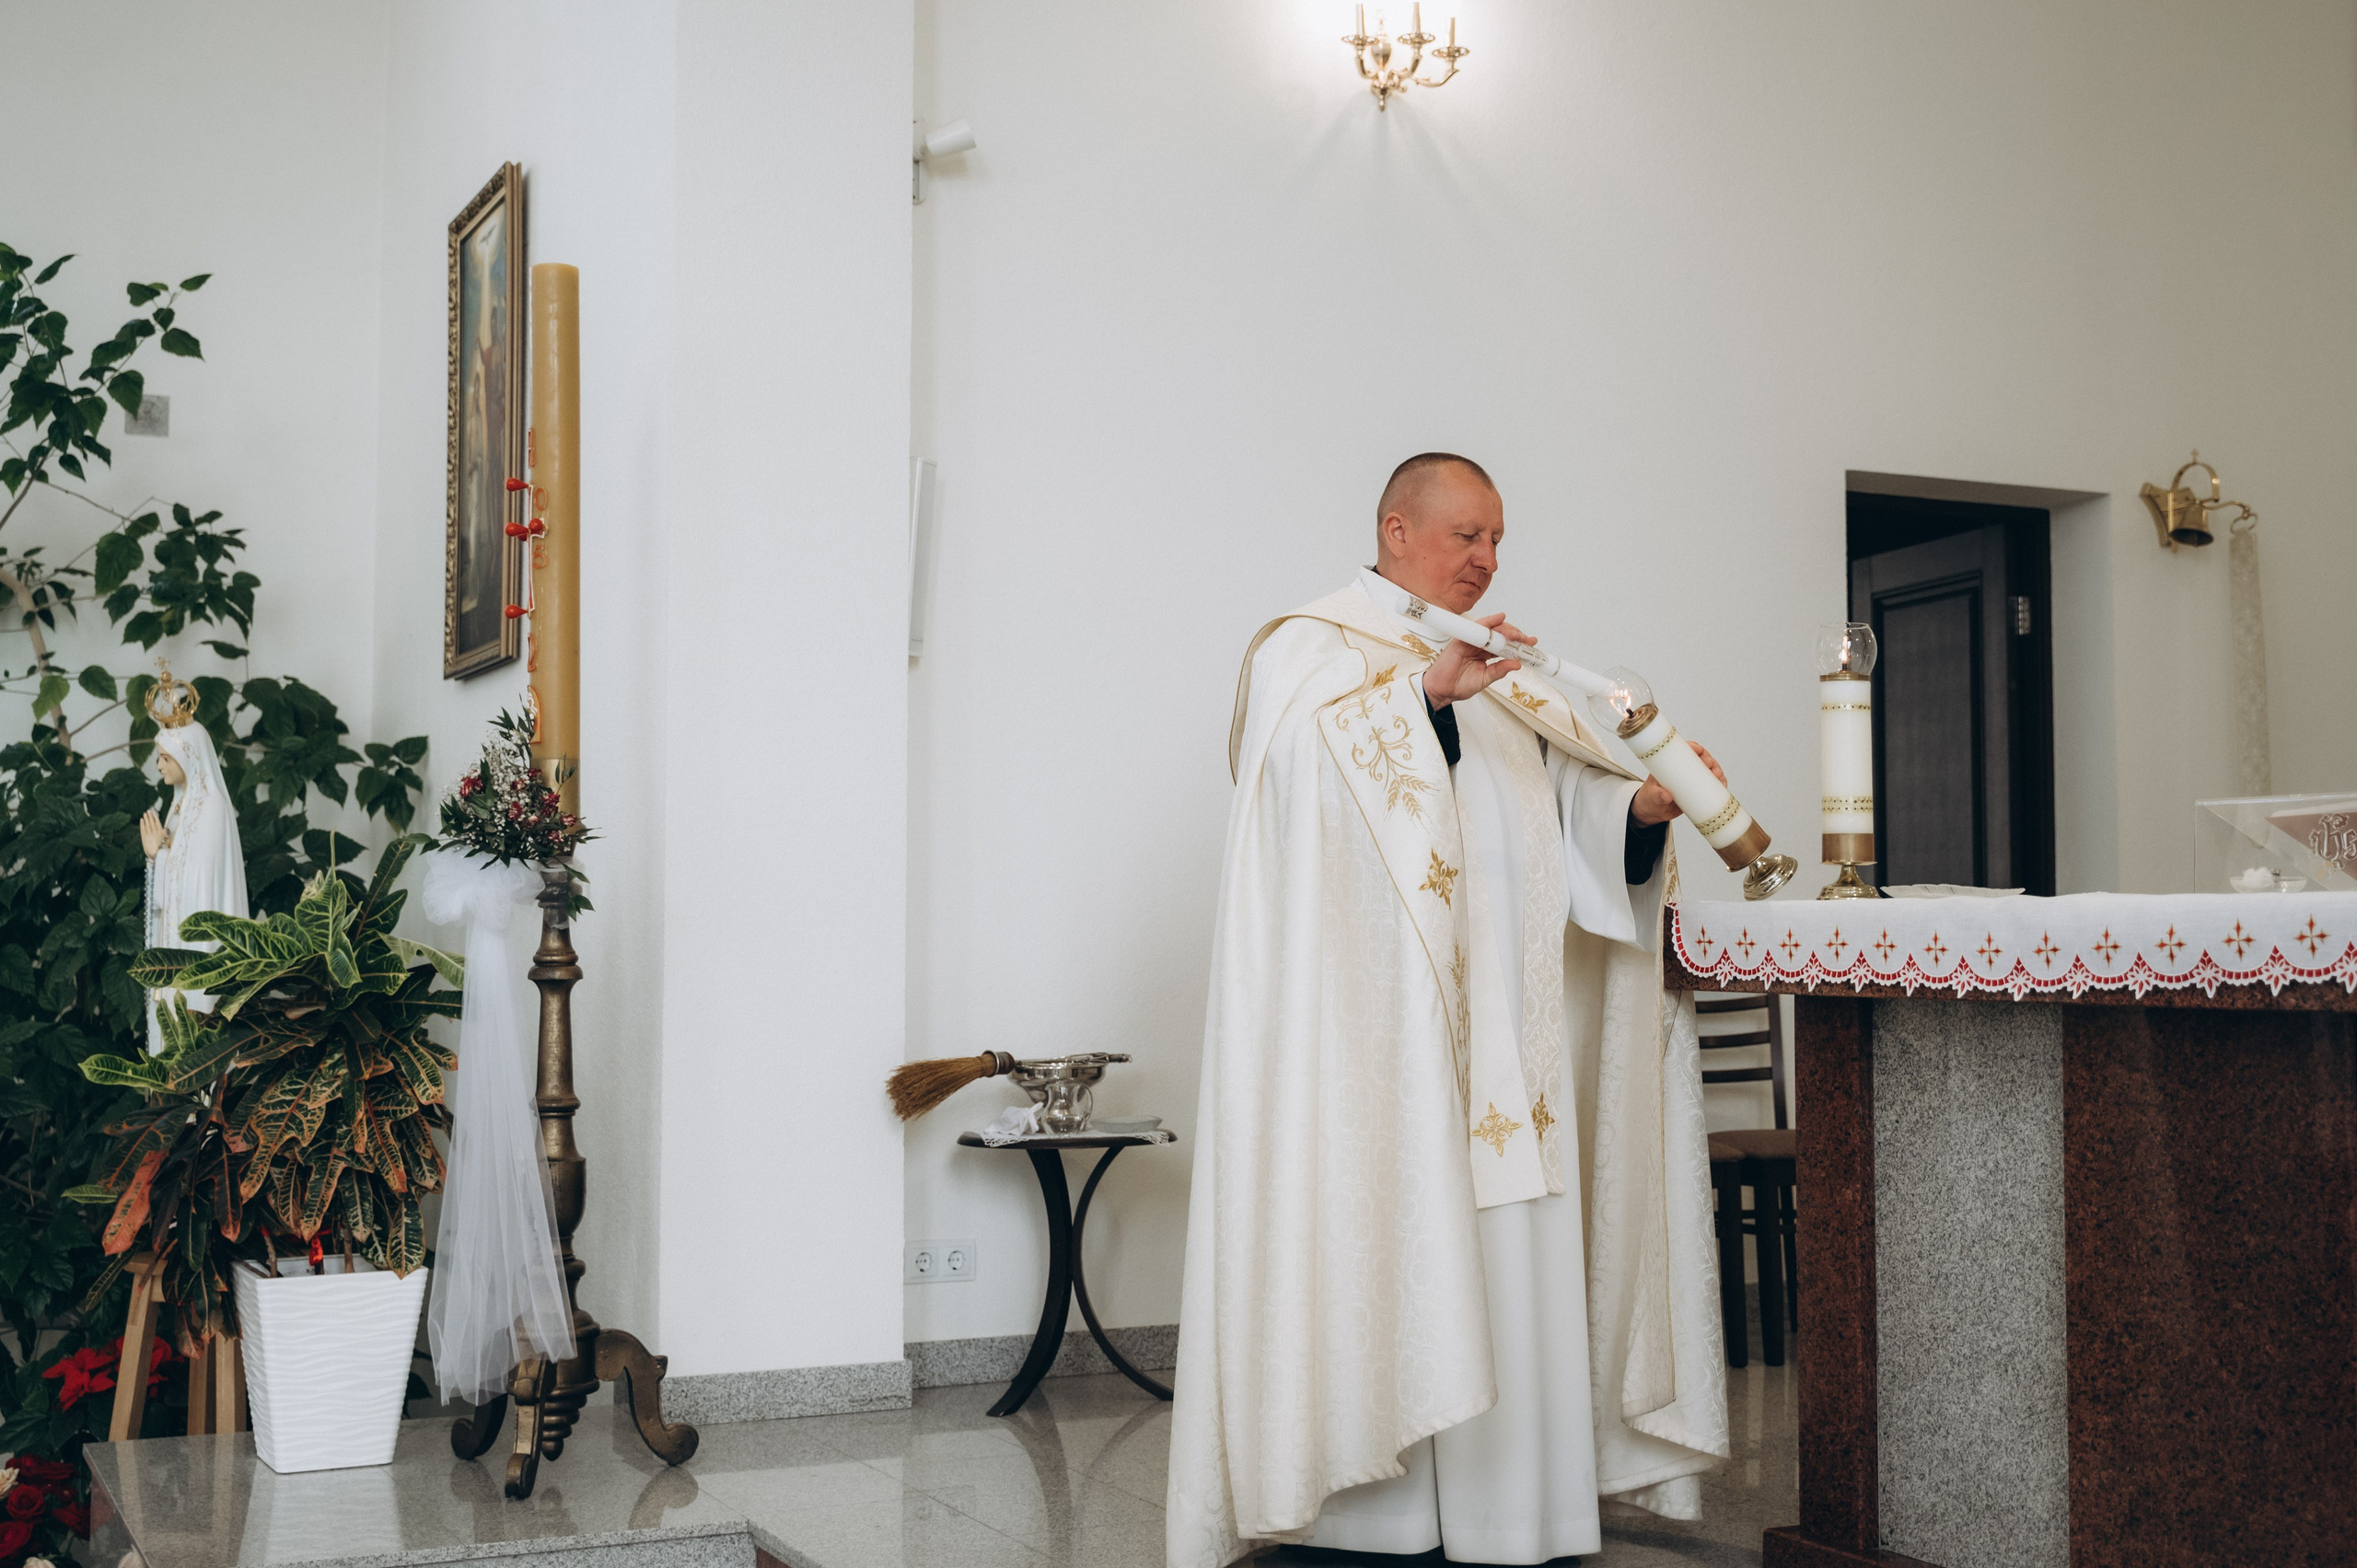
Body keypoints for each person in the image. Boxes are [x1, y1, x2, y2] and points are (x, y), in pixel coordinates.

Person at [1167, 454, 1727, 1568]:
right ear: (1395, 527)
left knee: (1513, 1252)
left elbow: (1565, 819)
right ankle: (1365, 1511)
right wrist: (1424, 696)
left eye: (1497, 539)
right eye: (1466, 535)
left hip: (1512, 1048)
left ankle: (1513, 1512)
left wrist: (1640, 809)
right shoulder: (1309, 650)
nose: (1486, 559)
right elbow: (1290, 799)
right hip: (1373, 1069)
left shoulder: (1507, 675)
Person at [139, 669, 249, 1056]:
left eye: (166, 757)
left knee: (197, 1050)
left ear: (188, 756)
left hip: (200, 951)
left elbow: (199, 885)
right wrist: (161, 854)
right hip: (176, 950)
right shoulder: (179, 804)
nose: (159, 766)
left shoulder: (213, 809)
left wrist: (158, 855)